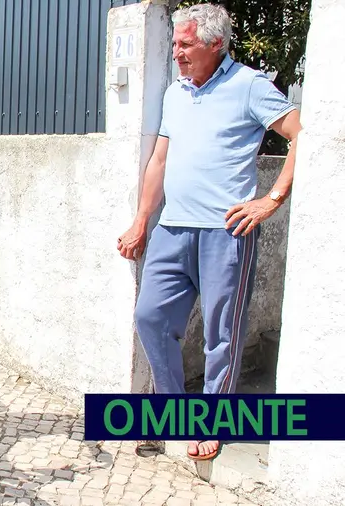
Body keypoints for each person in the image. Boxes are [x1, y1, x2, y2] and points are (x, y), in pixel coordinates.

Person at [117, 4, 301, 461]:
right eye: (174, 43)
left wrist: (271, 199)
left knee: (223, 333)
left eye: (185, 44)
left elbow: (304, 134)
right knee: (151, 318)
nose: (176, 53)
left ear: (216, 45)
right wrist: (142, 218)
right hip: (172, 228)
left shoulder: (249, 86)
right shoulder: (177, 93)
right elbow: (159, 160)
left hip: (226, 232)